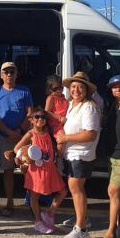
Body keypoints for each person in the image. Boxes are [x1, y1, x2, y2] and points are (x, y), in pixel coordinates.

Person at [56, 71, 101, 238]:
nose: (76, 90)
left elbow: (90, 134)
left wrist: (65, 137)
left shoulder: (89, 106)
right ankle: (82, 218)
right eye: (73, 86)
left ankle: (81, 229)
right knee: (75, 188)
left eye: (80, 87)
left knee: (76, 187)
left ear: (87, 90)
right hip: (72, 153)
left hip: (81, 154)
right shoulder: (72, 105)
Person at [11, 107, 67, 234]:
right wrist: (26, 156)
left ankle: (49, 214)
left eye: (43, 117)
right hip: (36, 170)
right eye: (37, 117)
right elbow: (16, 149)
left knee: (63, 191)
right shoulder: (31, 134)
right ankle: (37, 221)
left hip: (50, 169)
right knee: (34, 195)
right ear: (31, 120)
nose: (41, 119)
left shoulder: (48, 132)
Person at [0, 61, 33, 217]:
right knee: (7, 170)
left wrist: (20, 130)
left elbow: (30, 113)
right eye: (6, 72)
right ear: (1, 75)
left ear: (17, 74)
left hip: (23, 136)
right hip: (5, 137)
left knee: (27, 168)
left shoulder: (24, 91)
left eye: (12, 72)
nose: (9, 74)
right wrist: (9, 132)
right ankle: (9, 202)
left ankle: (31, 200)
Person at [104, 75, 120, 238]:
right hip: (112, 155)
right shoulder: (112, 106)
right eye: (114, 87)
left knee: (113, 191)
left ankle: (110, 231)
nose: (118, 89)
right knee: (115, 193)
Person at [45, 74, 69, 155]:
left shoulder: (63, 97)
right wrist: (59, 118)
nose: (59, 90)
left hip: (64, 123)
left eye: (61, 88)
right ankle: (57, 157)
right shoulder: (51, 98)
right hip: (56, 125)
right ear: (50, 89)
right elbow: (46, 112)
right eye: (56, 89)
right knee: (62, 139)